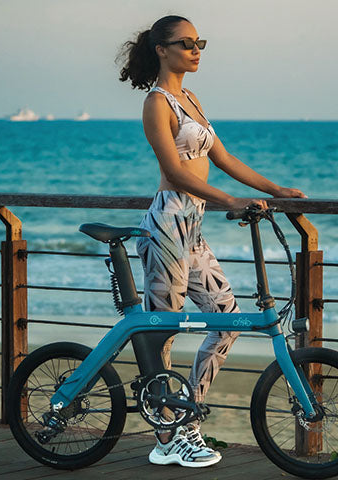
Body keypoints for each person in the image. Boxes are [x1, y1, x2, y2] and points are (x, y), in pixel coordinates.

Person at [118, 15, 306, 468]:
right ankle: (167, 432)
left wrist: (273, 190)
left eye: (200, 42)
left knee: (227, 321)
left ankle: (186, 417)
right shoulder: (157, 103)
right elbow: (176, 171)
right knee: (161, 333)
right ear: (162, 49)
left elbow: (221, 157)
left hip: (194, 229)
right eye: (186, 43)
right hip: (167, 225)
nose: (196, 49)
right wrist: (229, 201)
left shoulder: (192, 99)